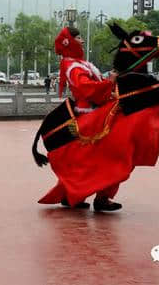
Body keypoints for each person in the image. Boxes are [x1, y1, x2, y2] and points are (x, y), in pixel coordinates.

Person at [37, 26, 123, 211]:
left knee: (96, 160)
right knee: (108, 158)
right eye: (79, 38)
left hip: (98, 112)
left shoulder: (80, 63)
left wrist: (109, 81)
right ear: (70, 42)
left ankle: (75, 195)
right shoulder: (72, 66)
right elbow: (85, 87)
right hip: (90, 117)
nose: (83, 41)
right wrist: (110, 82)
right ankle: (97, 197)